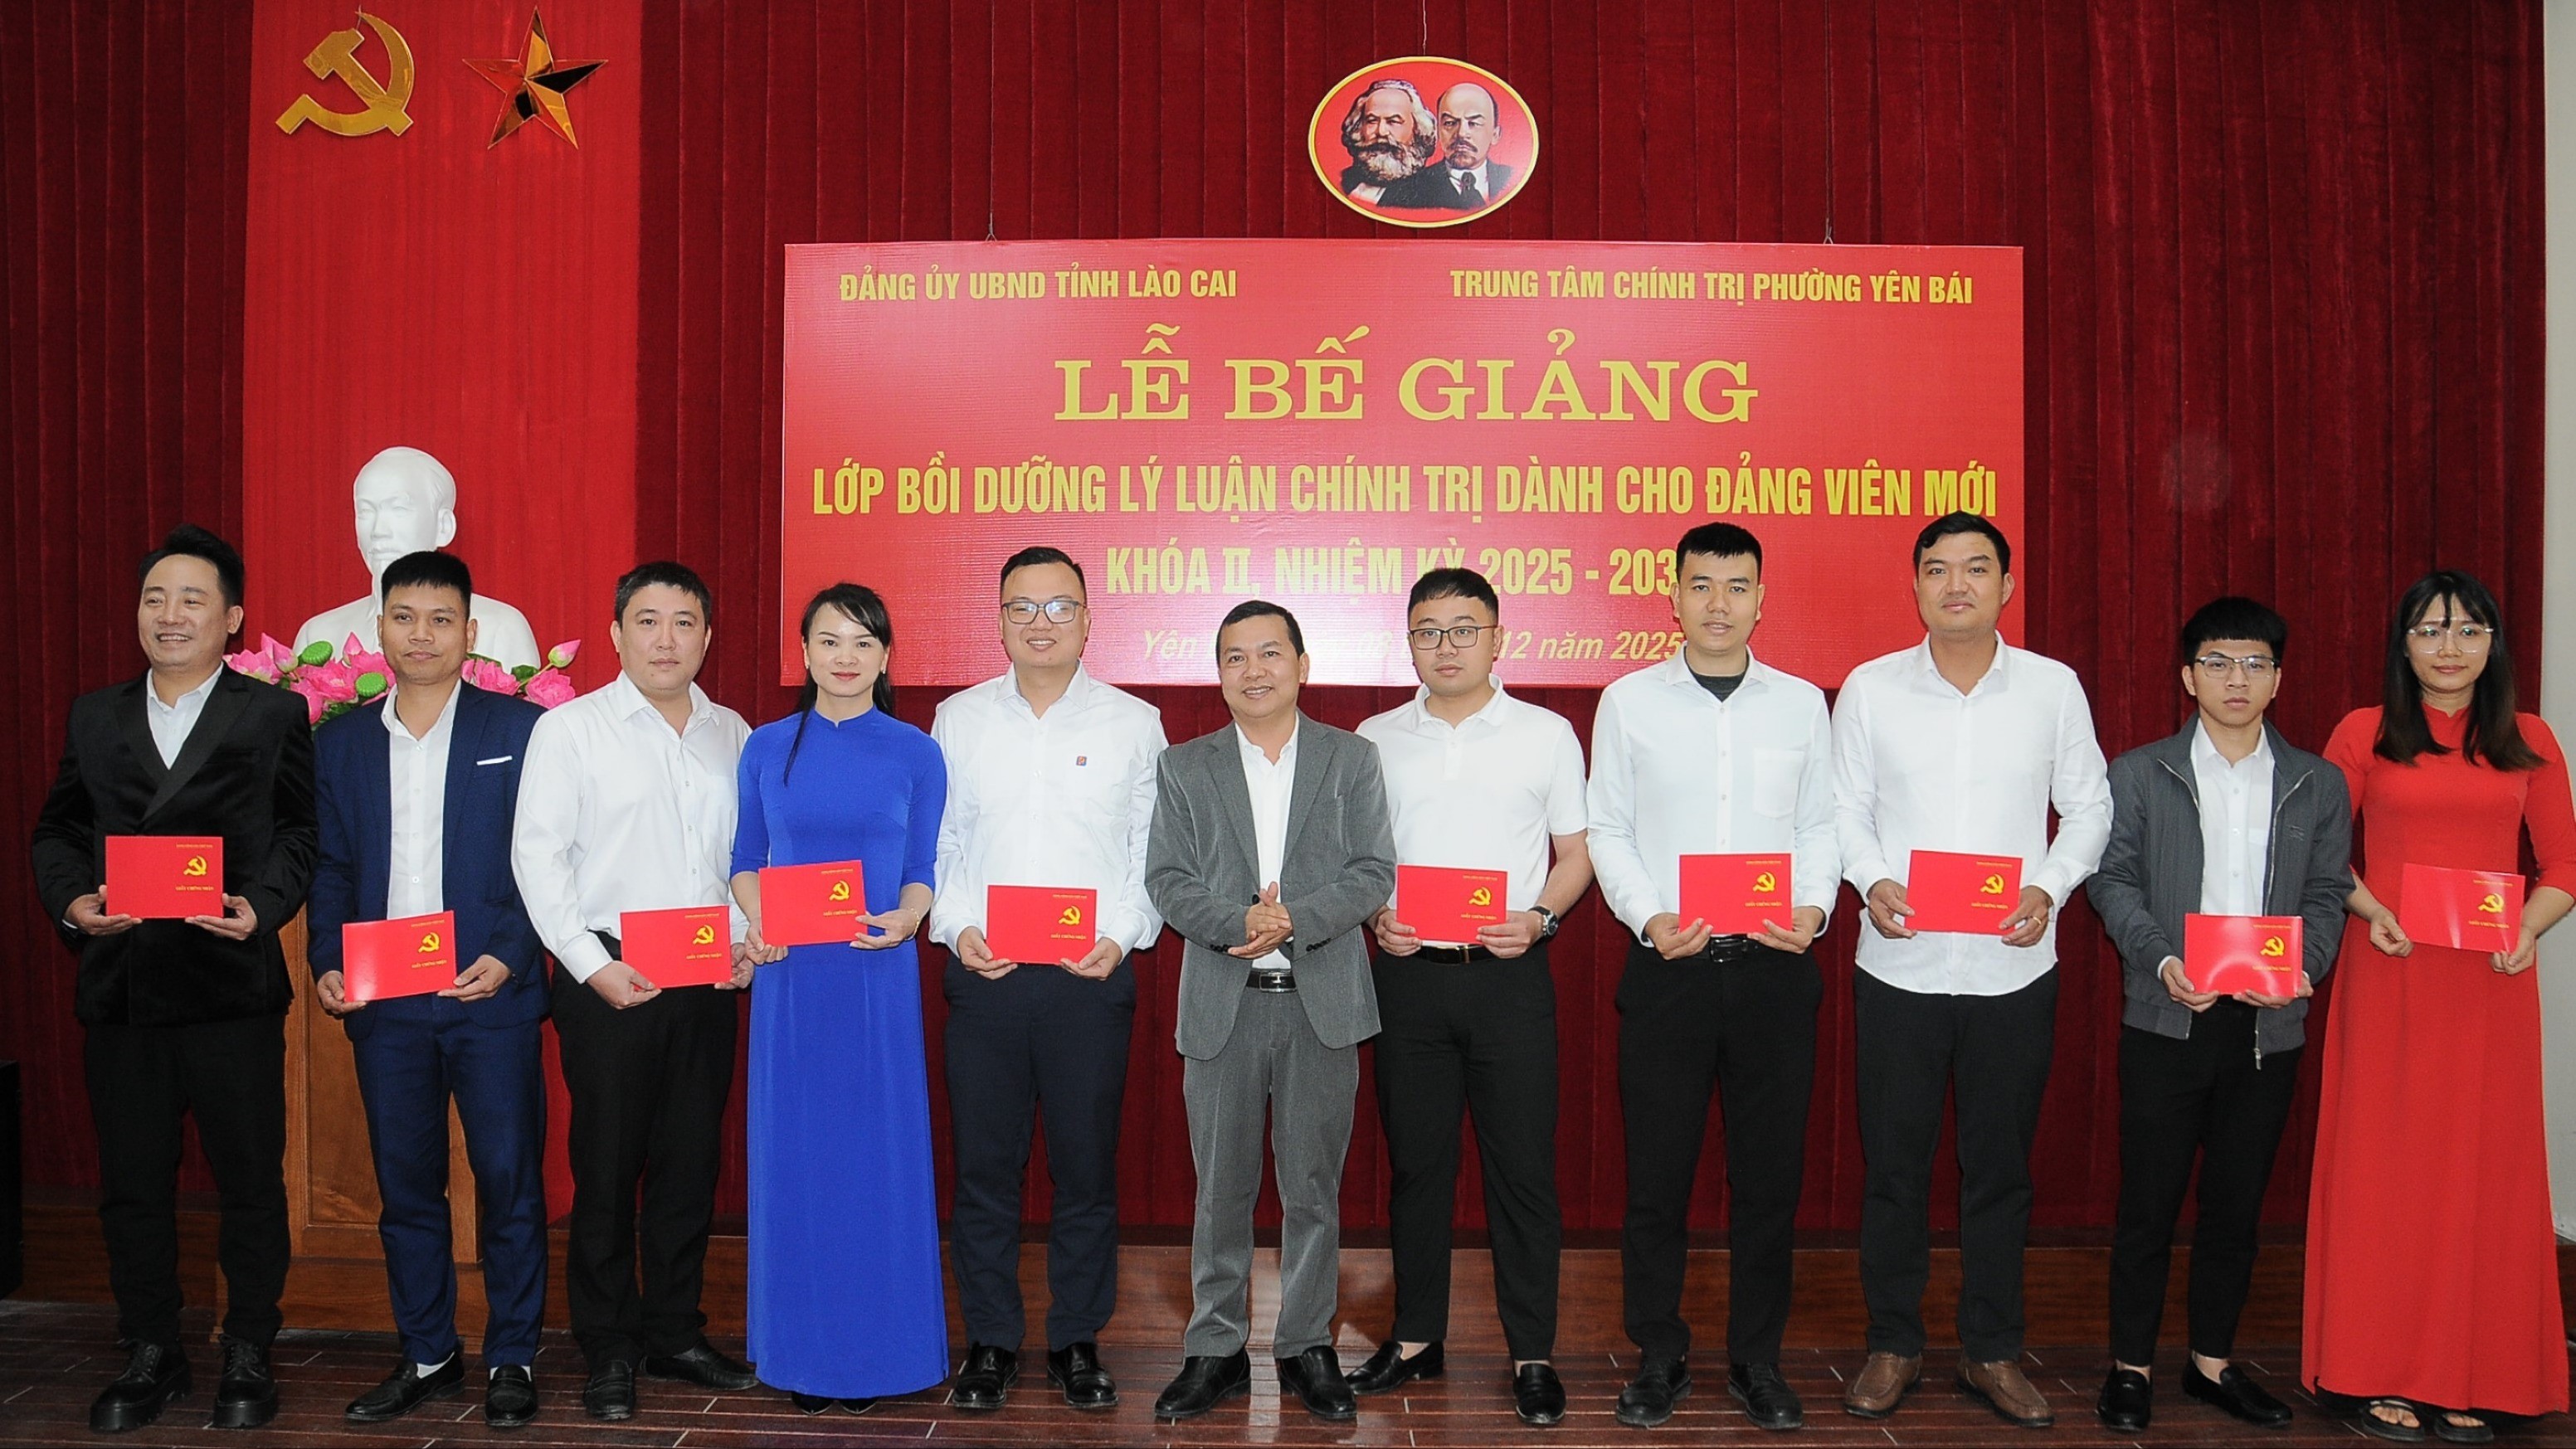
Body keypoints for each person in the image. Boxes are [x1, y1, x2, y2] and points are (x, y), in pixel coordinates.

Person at [31, 524, 316, 1434]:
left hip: (228, 982)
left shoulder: (272, 714)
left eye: (193, 598)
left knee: (250, 1180)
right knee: (132, 1185)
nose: (170, 614)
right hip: (124, 987)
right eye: (155, 597)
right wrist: (73, 900)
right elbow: (57, 830)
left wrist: (260, 906)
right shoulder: (95, 714)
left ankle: (249, 1346)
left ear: (231, 618)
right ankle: (151, 1347)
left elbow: (300, 832)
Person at [1831, 512, 2111, 1429]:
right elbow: (1845, 808)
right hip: (1900, 966)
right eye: (1938, 569)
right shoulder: (1871, 688)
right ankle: (1893, 1342)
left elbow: (2090, 807)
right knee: (1894, 1169)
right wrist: (1870, 877)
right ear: (1915, 584)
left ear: (2006, 585)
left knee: (2000, 1170)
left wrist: (2048, 887)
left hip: (2011, 970)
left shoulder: (2052, 688)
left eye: (1976, 568)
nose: (1957, 585)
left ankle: (1992, 1349)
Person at [2301, 571, 2576, 1443]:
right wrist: (2369, 909)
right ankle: (2376, 1369)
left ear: (2493, 642)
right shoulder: (2364, 732)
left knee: (2481, 1172)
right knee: (2388, 1171)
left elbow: (2564, 865)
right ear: (2403, 644)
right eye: (2429, 630)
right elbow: (2318, 848)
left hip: (2491, 982)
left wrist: (2527, 928)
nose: (2448, 647)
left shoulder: (2529, 738)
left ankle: (2474, 1371)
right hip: (2393, 969)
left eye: (2467, 630)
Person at [1586, 523, 1838, 1432]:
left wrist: (1813, 908)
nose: (1718, 603)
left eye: (1736, 586)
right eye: (1701, 585)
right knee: (1657, 1178)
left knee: (1768, 1181)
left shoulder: (1801, 704)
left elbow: (1819, 825)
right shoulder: (1628, 702)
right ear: (1674, 595)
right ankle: (1658, 1353)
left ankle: (1756, 1359)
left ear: (1761, 598)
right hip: (1670, 970)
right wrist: (1648, 915)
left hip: (1773, 969)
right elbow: (1607, 827)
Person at [2086, 596, 2350, 1434]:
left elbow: (2327, 891)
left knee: (2236, 1207)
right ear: (2188, 676)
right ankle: (2129, 1366)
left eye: (2254, 663)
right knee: (2148, 1204)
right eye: (2217, 662)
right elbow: (2111, 879)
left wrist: (2303, 968)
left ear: (2278, 679)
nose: (2236, 679)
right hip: (2167, 1015)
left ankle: (2210, 1363)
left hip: (2267, 1027)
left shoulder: (2316, 781)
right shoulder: (2140, 773)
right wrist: (2162, 961)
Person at [307, 551, 550, 1429]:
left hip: (490, 997)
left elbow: (547, 858)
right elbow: (332, 867)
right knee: (406, 1186)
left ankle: (513, 1354)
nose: (422, 635)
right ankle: (428, 1351)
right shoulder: (339, 743)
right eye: (404, 617)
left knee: (508, 1179)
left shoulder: (521, 731)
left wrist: (513, 952)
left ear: (470, 633)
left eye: (441, 619)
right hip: (386, 1003)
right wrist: (326, 959)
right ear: (379, 628)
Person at [510, 562, 757, 1422]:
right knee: (608, 1168)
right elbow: (537, 856)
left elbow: (743, 859)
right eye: (647, 621)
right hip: (609, 971)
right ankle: (608, 1344)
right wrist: (589, 962)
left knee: (690, 1163)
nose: (665, 639)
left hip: (705, 975)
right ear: (616, 634)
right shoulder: (570, 731)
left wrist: (743, 945)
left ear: (707, 637)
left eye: (684, 622)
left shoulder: (734, 733)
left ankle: (674, 1333)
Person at [1347, 568, 1590, 1427]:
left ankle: (1532, 1354)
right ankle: (1417, 1337)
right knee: (1418, 1167)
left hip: (1508, 979)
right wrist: (1375, 914)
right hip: (1409, 978)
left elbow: (1576, 852)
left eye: (1462, 629)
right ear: (1408, 641)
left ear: (1497, 638)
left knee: (1521, 1171)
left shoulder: (1546, 734)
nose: (1444, 646)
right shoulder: (1374, 738)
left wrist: (1540, 919)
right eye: (1427, 630)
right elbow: (1360, 861)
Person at [1144, 601, 1395, 1423]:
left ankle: (1305, 1344)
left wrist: (1295, 918)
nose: (1253, 671)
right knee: (1220, 1188)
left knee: (1312, 1189)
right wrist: (1240, 920)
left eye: (1269, 653)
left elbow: (1372, 871)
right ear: (1219, 673)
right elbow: (1167, 878)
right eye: (1235, 657)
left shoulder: (1352, 757)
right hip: (1225, 1004)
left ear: (1301, 664)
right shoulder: (1185, 766)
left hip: (1321, 1004)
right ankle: (1214, 1347)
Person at [928, 548, 1164, 1413]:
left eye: (1059, 606)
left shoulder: (1134, 722)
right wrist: (958, 926)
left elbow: (1152, 850)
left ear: (1087, 619)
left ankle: (1076, 1338)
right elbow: (941, 844)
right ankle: (990, 1339)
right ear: (998, 620)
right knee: (984, 1170)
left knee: (1084, 1168)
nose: (1040, 622)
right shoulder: (958, 719)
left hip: (1086, 978)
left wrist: (1121, 936)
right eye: (1022, 607)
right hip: (985, 976)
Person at [730, 584, 948, 1413]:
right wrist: (758, 918)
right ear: (805, 651)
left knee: (873, 1165)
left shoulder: (916, 751)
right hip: (791, 980)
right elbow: (745, 857)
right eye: (829, 640)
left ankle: (879, 1355)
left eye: (862, 642)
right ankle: (801, 1354)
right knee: (798, 1164)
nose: (845, 656)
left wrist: (910, 917)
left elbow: (921, 866)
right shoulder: (766, 746)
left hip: (874, 976)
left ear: (885, 655)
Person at [295, 446, 541, 671]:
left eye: (399, 509)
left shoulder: (502, 630)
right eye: (366, 511)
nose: (379, 531)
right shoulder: (319, 635)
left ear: (443, 526)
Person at [1382, 82, 1514, 210]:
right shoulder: (1404, 192)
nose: (1461, 133)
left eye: (1474, 123)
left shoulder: (1512, 179)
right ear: (1438, 130)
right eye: (1450, 123)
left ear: (1495, 135)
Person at [1334, 76, 1437, 203]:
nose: (1381, 132)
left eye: (1393, 121)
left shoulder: (1431, 194)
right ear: (1359, 127)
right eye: (1372, 121)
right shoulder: (1342, 181)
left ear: (1417, 129)